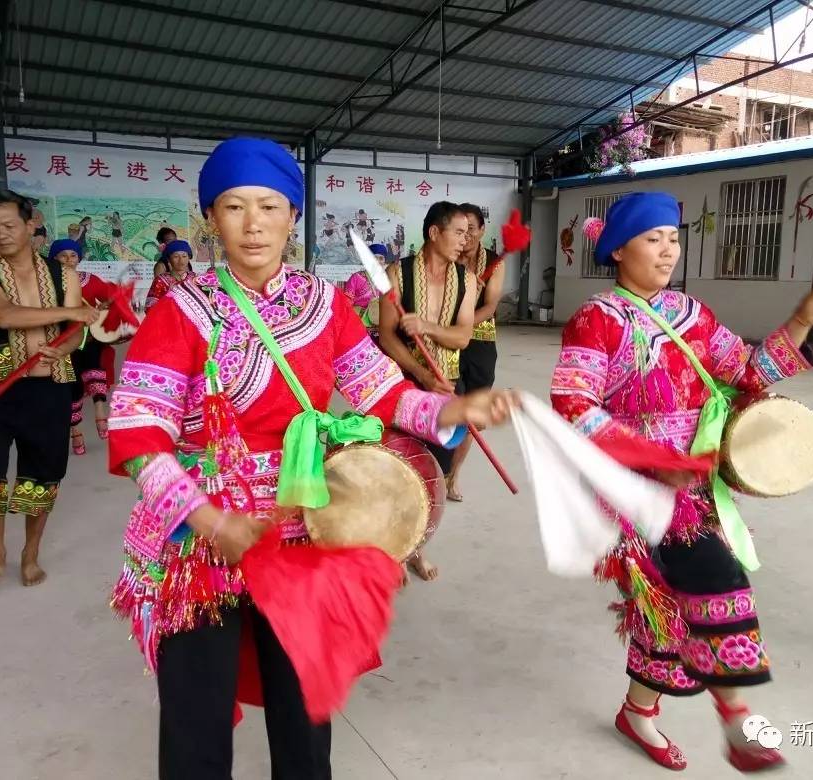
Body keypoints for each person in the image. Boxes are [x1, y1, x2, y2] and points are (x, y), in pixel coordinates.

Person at [107, 137, 514, 779]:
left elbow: (379, 390)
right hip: (198, 541)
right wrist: (215, 523)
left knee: (304, 719)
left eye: (269, 206)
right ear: (211, 218)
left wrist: (449, 411)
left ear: (293, 216)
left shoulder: (323, 306)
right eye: (234, 207)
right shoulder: (180, 311)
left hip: (300, 526)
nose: (252, 223)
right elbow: (136, 434)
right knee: (195, 724)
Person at [550, 192, 813, 772]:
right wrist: (648, 457)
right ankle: (737, 720)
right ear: (619, 249)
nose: (667, 251)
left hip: (693, 483)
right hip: (634, 484)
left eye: (673, 238)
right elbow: (571, 403)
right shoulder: (598, 319)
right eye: (652, 239)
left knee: (668, 609)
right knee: (713, 577)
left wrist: (801, 321)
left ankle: (638, 712)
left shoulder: (692, 314)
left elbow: (747, 374)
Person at [0, 190, 99, 587]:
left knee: (41, 477)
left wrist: (65, 344)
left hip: (49, 391)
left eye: (8, 226)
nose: (0, 235)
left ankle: (30, 552)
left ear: (30, 224)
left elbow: (75, 334)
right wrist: (71, 311)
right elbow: (4, 315)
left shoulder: (63, 275)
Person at [378, 201, 477, 581]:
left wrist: (429, 327)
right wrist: (420, 371)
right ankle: (395, 549)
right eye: (458, 232)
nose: (465, 241)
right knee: (399, 469)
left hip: (449, 383)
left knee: (436, 470)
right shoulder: (397, 274)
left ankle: (418, 547)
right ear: (435, 233)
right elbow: (387, 336)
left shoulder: (467, 281)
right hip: (404, 385)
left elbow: (463, 337)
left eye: (468, 233)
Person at [446, 203, 506, 502]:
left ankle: (453, 476)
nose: (466, 235)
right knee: (444, 408)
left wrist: (463, 325)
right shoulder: (447, 258)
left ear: (482, 230)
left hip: (479, 346)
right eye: (461, 228)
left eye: (472, 228)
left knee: (471, 415)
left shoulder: (494, 262)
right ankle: (437, 471)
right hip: (445, 342)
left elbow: (491, 306)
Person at [48, 238, 118, 454]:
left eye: (73, 255)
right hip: (61, 341)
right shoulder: (46, 284)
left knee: (96, 371)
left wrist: (107, 305)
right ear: (53, 258)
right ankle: (75, 432)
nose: (69, 260)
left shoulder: (89, 280)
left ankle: (100, 412)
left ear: (79, 258)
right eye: (63, 255)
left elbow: (112, 296)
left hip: (88, 338)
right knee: (73, 386)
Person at [343, 242, 389, 340]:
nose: (378, 261)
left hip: (382, 329)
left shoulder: (388, 280)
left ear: (384, 261)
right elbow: (346, 304)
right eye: (374, 257)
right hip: (359, 328)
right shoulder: (356, 278)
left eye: (381, 258)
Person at [144, 239, 194, 310]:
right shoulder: (160, 281)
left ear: (189, 258)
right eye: (176, 256)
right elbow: (149, 307)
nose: (181, 260)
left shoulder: (195, 279)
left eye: (184, 256)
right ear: (169, 259)